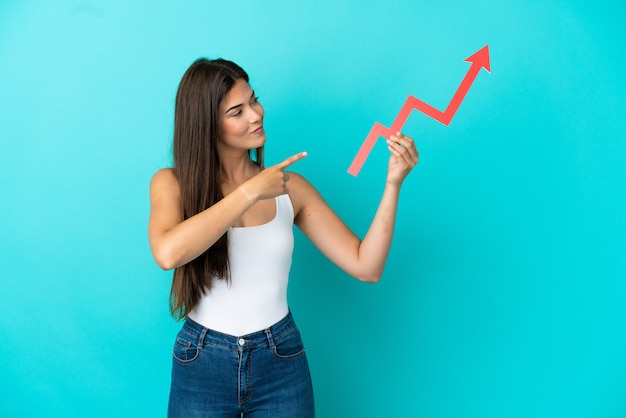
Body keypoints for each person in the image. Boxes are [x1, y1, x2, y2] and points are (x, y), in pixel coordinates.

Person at [148, 58, 419, 418]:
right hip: (202, 360)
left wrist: (393, 183)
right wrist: (248, 192)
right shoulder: (172, 183)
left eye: (254, 100)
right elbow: (167, 254)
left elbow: (365, 265)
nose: (255, 114)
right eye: (237, 111)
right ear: (207, 125)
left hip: (280, 358)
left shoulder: (291, 190)